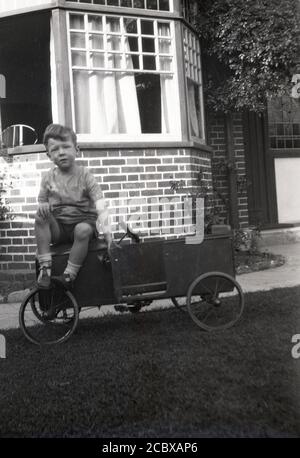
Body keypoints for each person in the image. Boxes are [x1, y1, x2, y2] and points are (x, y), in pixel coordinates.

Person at [35, 123, 113, 289]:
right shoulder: (48, 178)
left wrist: (108, 234)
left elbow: (100, 204)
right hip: (60, 229)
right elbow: (42, 201)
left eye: (66, 147)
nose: (61, 152)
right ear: (48, 155)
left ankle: (69, 275)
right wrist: (43, 206)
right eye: (55, 149)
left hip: (84, 224)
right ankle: (45, 267)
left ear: (76, 150)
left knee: (82, 230)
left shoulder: (85, 175)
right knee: (39, 216)